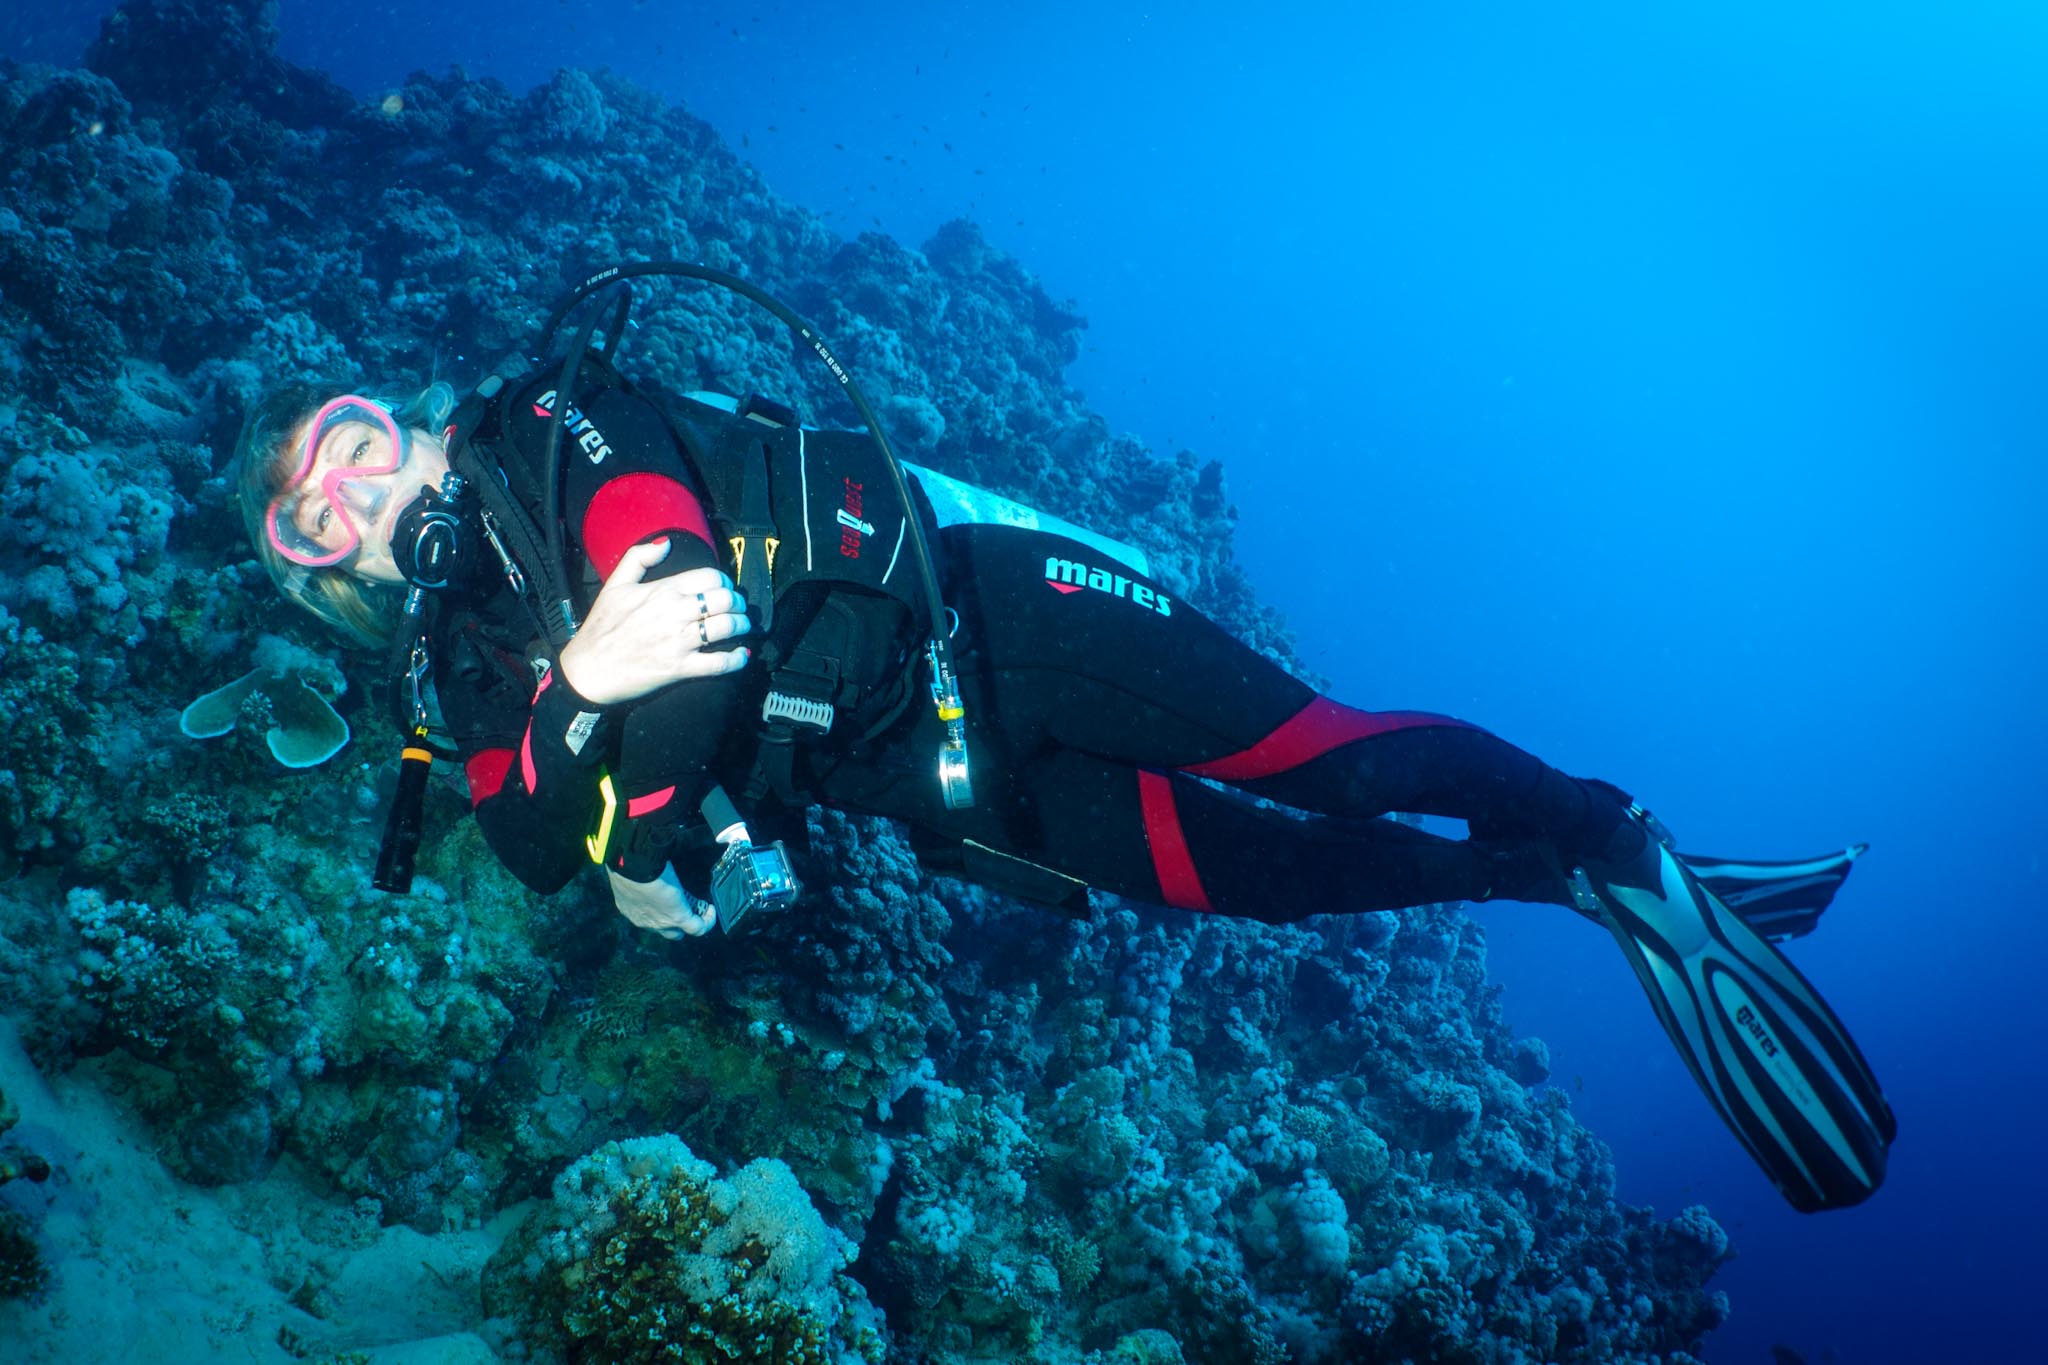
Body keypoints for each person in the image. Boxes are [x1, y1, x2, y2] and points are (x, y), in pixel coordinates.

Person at [232, 285, 1894, 1214]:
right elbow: (529, 838)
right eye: (314, 528)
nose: (355, 499)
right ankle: (1568, 886)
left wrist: (625, 808)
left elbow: (664, 569)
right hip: (945, 776)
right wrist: (605, 765)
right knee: (1271, 883)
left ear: (406, 417)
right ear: (332, 585)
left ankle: (1607, 828)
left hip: (998, 613)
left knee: (1316, 755)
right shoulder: (460, 675)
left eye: (350, 447)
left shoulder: (541, 418)